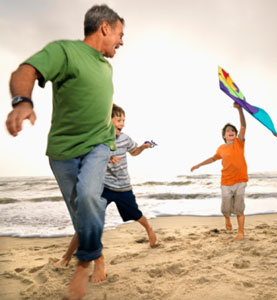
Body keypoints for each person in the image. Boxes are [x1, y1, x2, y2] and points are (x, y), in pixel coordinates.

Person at [5, 5, 124, 300]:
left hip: (98, 145)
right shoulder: (66, 51)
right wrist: (22, 102)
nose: (121, 42)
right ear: (105, 28)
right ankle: (94, 255)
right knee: (78, 211)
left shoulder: (106, 66)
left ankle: (84, 262)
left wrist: (111, 142)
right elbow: (26, 70)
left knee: (89, 197)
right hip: (62, 151)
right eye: (120, 34)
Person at [55, 104, 157, 280]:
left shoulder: (125, 139)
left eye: (123, 120)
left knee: (135, 214)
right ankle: (66, 257)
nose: (122, 123)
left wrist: (143, 147)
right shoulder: (97, 140)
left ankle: (149, 228)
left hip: (123, 186)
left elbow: (134, 152)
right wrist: (107, 156)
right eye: (118, 119)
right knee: (87, 222)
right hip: (102, 187)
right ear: (106, 121)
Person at [190, 102, 248, 240]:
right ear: (224, 135)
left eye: (232, 130)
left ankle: (240, 232)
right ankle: (227, 218)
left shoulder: (239, 143)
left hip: (240, 180)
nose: (231, 131)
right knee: (225, 208)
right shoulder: (221, 148)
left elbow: (243, 126)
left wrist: (239, 109)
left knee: (239, 208)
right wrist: (198, 165)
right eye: (228, 130)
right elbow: (212, 158)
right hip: (226, 182)